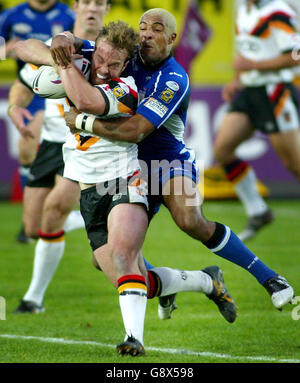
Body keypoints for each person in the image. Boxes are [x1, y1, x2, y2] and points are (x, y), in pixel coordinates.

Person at [15, 20, 238, 356]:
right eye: (101, 58)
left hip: (125, 180)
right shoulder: (82, 62)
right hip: (89, 191)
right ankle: (207, 281)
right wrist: (57, 46)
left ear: (126, 63)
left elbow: (87, 101)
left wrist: (60, 63)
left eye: (114, 63)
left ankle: (134, 339)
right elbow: (19, 49)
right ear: (95, 50)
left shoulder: (126, 90)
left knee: (123, 256)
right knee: (137, 281)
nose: (105, 69)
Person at [60, 7, 295, 312]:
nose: (146, 33)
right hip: (127, 166)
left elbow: (137, 130)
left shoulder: (173, 78)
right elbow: (79, 45)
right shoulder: (124, 54)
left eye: (156, 29)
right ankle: (186, 282)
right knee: (105, 259)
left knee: (190, 220)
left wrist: (82, 122)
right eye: (143, 27)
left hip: (167, 164)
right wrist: (62, 38)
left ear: (171, 38)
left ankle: (271, 278)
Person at [9, 0, 111, 314]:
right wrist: (15, 107)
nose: (92, 8)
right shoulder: (57, 45)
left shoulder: (110, 52)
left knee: (53, 212)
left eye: (100, 3)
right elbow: (24, 81)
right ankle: (85, 218)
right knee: (32, 227)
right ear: (76, 7)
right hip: (51, 143)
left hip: (85, 144)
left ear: (107, 9)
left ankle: (33, 300)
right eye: (87, 2)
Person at [213, 0, 300, 241]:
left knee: (295, 164)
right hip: (250, 91)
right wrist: (237, 80)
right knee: (223, 150)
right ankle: (258, 211)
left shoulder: (278, 11)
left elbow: (296, 54)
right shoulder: (245, 11)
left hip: (275, 92)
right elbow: (247, 50)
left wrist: (254, 65)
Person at [1, 0, 75, 243]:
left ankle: (46, 216)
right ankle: (31, 218)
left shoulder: (67, 14)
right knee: (25, 152)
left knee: (33, 144)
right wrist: (6, 50)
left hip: (58, 89)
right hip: (30, 89)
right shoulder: (12, 15)